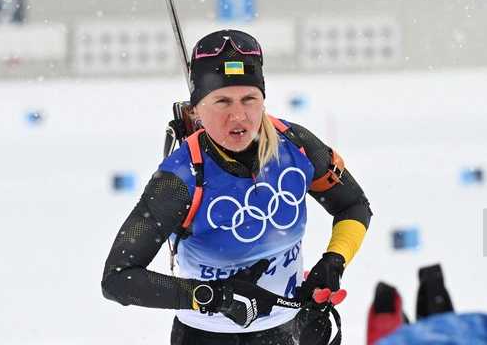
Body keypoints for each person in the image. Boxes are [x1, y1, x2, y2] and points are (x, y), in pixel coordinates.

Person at [101, 29, 372, 344]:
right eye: (221, 102)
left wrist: (333, 261)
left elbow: (353, 205)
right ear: (197, 110)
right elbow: (119, 279)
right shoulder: (181, 177)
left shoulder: (296, 147)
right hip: (206, 336)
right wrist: (211, 296)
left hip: (289, 331)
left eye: (249, 99)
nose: (238, 115)